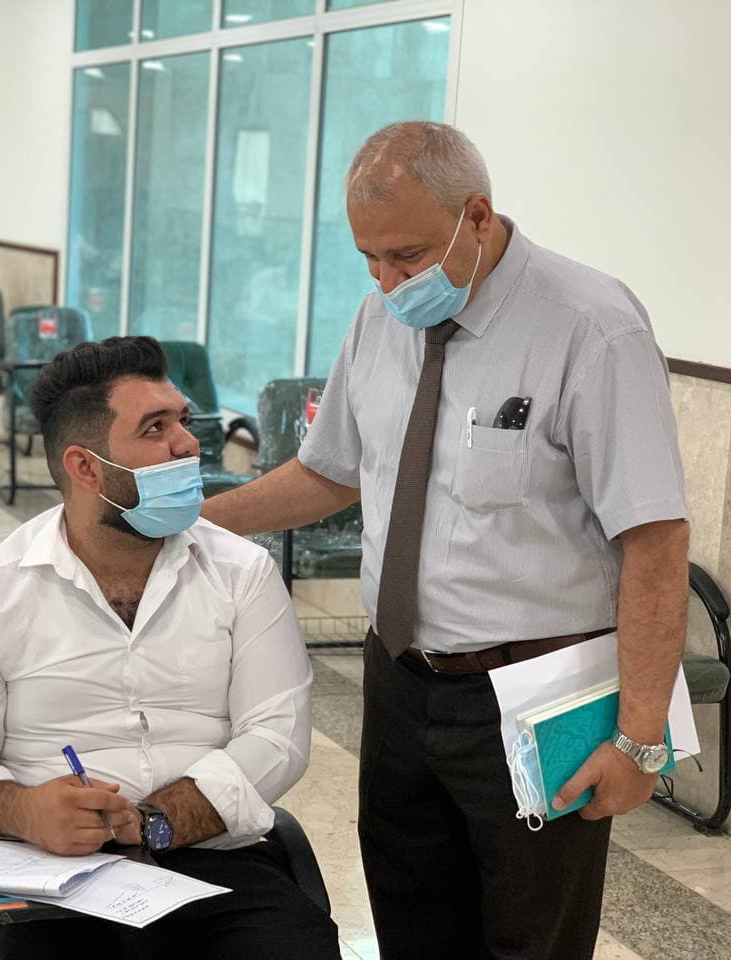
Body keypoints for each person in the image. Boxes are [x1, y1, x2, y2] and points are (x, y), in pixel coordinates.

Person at [201, 122, 689, 960]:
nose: (389, 282)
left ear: (478, 215)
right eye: (369, 259)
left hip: (536, 692)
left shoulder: (590, 327)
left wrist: (639, 739)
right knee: (412, 919)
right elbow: (330, 472)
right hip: (399, 681)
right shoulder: (379, 317)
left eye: (407, 256)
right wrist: (195, 523)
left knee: (532, 937)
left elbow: (654, 538)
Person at [0, 337, 340, 960]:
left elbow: (277, 736)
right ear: (86, 468)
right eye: (155, 428)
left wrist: (154, 821)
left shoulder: (241, 572)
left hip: (215, 857)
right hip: (55, 874)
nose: (188, 444)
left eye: (183, 421)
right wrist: (23, 810)